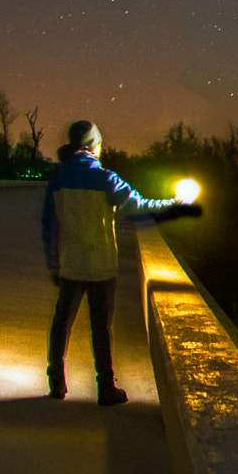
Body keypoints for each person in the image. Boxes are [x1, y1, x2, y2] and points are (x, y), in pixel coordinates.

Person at [39, 119, 187, 403]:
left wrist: (53, 263)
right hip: (101, 267)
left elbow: (49, 225)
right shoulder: (106, 178)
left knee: (61, 323)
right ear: (95, 146)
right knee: (101, 329)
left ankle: (56, 381)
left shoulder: (58, 179)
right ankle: (105, 387)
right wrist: (175, 203)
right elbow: (140, 206)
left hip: (70, 264)